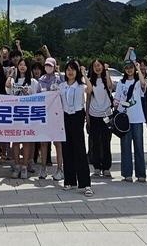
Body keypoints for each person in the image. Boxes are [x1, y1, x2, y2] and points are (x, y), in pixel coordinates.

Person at [62, 60, 92, 195]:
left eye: (73, 69)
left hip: (78, 117)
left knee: (80, 150)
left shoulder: (81, 86)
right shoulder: (62, 86)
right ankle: (69, 181)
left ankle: (85, 184)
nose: (70, 72)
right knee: (66, 149)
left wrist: (84, 74)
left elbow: (90, 89)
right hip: (64, 117)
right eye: (68, 69)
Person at [116, 59, 147, 182]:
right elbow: (117, 99)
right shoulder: (121, 83)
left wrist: (139, 68)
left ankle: (141, 174)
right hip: (125, 119)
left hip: (137, 118)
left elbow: (143, 83)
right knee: (125, 147)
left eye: (131, 67)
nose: (129, 70)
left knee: (139, 147)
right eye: (127, 68)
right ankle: (127, 173)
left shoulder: (137, 82)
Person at [6, 57, 36, 179]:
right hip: (15, 114)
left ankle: (24, 166)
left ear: (28, 67)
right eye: (20, 64)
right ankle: (17, 164)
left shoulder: (33, 81)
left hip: (27, 114)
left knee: (26, 141)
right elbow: (8, 89)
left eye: (24, 65)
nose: (22, 66)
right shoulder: (14, 81)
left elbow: (37, 97)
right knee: (16, 141)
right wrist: (11, 75)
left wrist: (27, 93)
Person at [85, 58, 115, 179]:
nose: (97, 67)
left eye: (99, 65)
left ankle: (106, 167)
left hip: (106, 114)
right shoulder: (90, 80)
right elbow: (88, 98)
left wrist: (107, 71)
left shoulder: (105, 78)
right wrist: (87, 115)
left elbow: (110, 86)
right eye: (95, 66)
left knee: (106, 142)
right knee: (95, 143)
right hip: (94, 114)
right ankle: (96, 167)